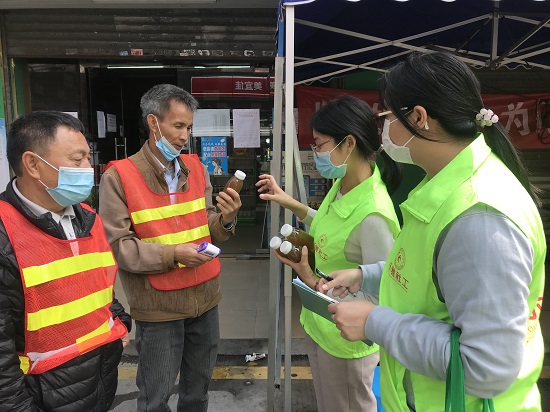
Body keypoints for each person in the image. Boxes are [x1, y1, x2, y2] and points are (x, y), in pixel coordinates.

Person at [324, 52, 547, 412]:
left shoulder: (480, 218)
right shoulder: (445, 189)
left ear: (418, 118)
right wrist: (365, 276)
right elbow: (429, 274)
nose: (383, 129)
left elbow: (486, 367)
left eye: (386, 115)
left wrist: (374, 322)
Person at [99, 84, 242, 412]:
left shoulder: (197, 168)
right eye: (178, 126)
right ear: (153, 123)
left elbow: (208, 225)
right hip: (159, 309)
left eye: (189, 127)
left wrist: (227, 219)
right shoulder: (120, 177)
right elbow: (118, 246)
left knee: (197, 394)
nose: (184, 135)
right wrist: (173, 255)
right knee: (155, 399)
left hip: (206, 302)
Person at [256, 95, 402, 412]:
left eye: (320, 145)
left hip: (346, 340)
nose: (315, 153)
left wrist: (309, 278)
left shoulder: (373, 213)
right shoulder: (342, 184)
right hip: (320, 324)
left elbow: (384, 292)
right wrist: (287, 201)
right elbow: (325, 221)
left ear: (348, 144)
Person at [0, 111, 131, 411]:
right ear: (33, 164)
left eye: (87, 158)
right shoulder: (5, 233)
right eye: (77, 159)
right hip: (42, 397)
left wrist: (118, 321)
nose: (89, 168)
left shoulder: (87, 218)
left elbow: (97, 287)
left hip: (97, 385)